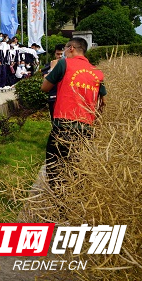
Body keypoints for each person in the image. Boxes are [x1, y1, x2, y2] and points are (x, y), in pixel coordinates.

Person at [41, 37, 106, 189]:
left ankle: (59, 205)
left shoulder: (64, 63)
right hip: (86, 129)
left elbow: (45, 87)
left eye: (64, 49)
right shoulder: (97, 72)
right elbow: (103, 101)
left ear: (71, 48)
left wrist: (52, 68)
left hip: (63, 126)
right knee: (78, 171)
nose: (63, 52)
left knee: (55, 169)